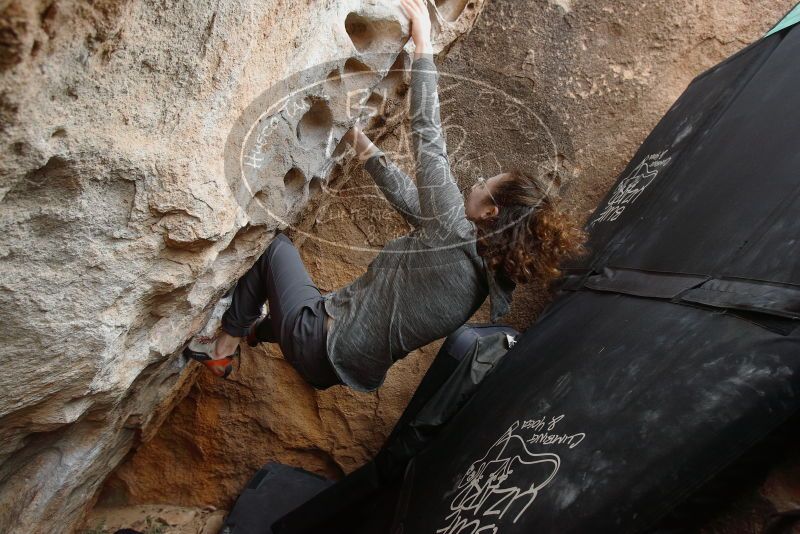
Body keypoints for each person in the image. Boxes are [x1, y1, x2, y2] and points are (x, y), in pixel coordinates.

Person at [184, 0, 588, 390]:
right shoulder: (480, 272)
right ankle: (255, 331)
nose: (475, 183)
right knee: (321, 300)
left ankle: (224, 347)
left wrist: (424, 45)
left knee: (273, 247)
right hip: (337, 370)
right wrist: (359, 140)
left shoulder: (452, 230)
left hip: (316, 342)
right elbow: (408, 200)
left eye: (484, 184)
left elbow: (428, 136)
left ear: (490, 211)